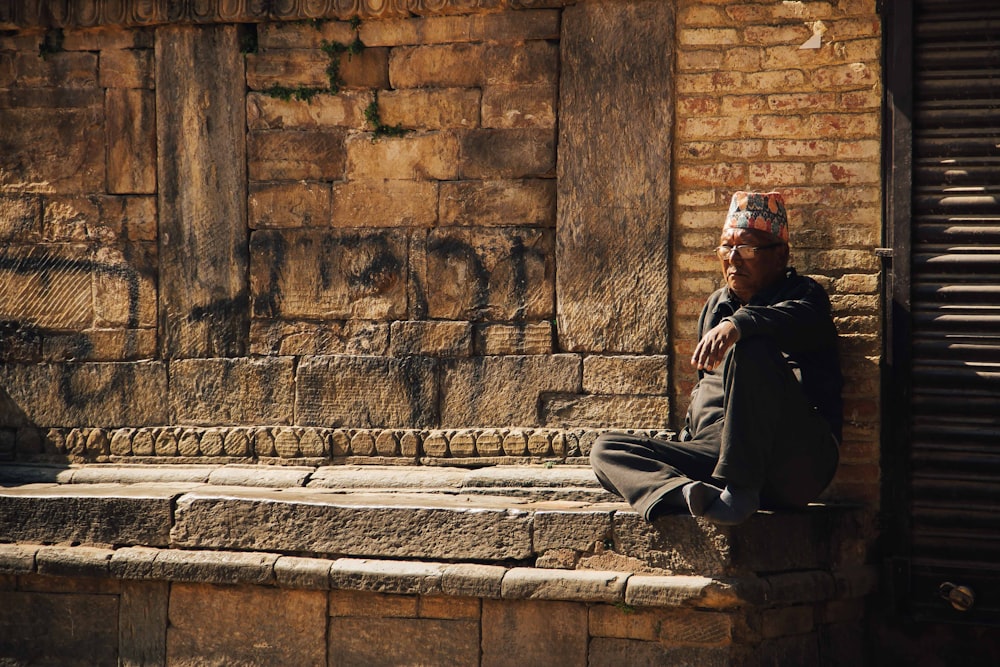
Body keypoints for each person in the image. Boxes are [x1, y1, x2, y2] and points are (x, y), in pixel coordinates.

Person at [590, 191, 842, 525]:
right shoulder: (716, 305)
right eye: (727, 247)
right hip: (717, 452)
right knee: (607, 449)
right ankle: (684, 493)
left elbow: (797, 319)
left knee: (753, 345)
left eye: (747, 248)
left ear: (780, 255)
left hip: (792, 459)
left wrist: (738, 326)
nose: (733, 259)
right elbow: (704, 387)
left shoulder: (805, 295)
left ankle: (741, 490)